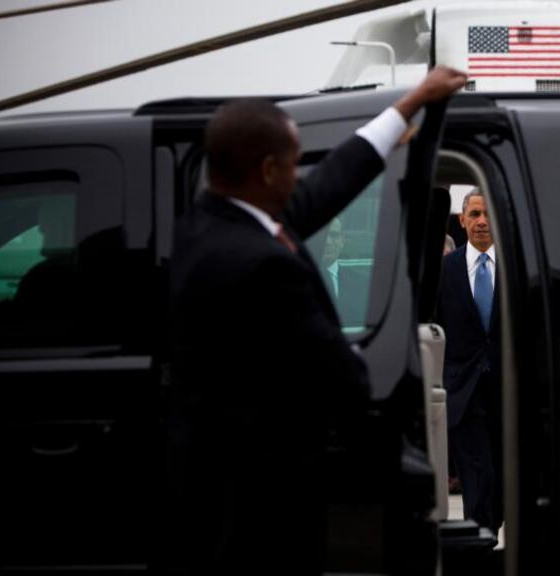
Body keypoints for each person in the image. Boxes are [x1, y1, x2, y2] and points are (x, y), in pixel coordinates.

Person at [166, 66, 467, 574]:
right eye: (291, 163)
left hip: (208, 484)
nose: (299, 173)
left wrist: (410, 104)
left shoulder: (209, 224)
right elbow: (343, 379)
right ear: (266, 172)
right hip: (260, 498)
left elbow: (330, 182)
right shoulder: (263, 262)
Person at [436, 190, 502, 532]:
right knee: (478, 476)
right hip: (464, 393)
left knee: (502, 477)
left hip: (506, 393)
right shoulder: (444, 271)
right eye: (474, 214)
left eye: (487, 214)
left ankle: (490, 529)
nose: (481, 222)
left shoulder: (514, 266)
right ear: (461, 221)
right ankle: (481, 543)